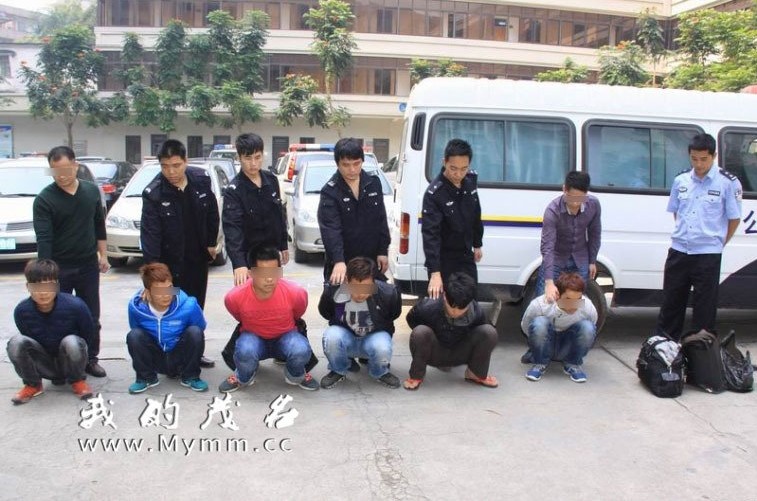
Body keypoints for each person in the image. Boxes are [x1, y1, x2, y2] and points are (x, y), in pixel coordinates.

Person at [140, 139, 219, 368]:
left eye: (176, 165)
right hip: (169, 269)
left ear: (186, 161)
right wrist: (152, 279)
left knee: (194, 307)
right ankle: (169, 357)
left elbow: (212, 212)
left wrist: (211, 242)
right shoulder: (154, 193)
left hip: (197, 262)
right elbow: (150, 236)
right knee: (170, 308)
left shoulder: (201, 180)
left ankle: (195, 352)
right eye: (165, 166)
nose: (171, 172)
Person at [656, 133, 742, 341]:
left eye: (704, 159)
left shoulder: (727, 183)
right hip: (679, 251)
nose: (699, 164)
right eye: (694, 159)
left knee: (704, 310)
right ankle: (665, 350)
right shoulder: (681, 180)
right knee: (671, 305)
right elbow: (678, 213)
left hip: (707, 254)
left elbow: (734, 219)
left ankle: (699, 354)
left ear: (714, 156)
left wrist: (719, 243)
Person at [33, 146, 108, 377]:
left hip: (87, 265)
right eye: (56, 171)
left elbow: (99, 225)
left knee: (91, 315)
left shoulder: (91, 192)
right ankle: (60, 363)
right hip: (59, 268)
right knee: (58, 316)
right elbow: (44, 239)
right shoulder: (44, 199)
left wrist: (103, 256)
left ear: (75, 165)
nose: (62, 176)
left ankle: (90, 359)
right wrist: (46, 274)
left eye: (66, 169)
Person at [219, 247, 318, 392]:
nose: (270, 279)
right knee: (245, 350)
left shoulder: (296, 292)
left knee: (301, 349)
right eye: (263, 273)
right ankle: (243, 376)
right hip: (253, 338)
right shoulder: (234, 297)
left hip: (286, 336)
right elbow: (239, 317)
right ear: (251, 274)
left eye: (274, 272)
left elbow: (297, 314)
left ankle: (296, 375)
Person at [7, 259, 94, 404]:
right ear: (28, 287)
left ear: (57, 285)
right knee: (16, 342)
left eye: (48, 286)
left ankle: (77, 380)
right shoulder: (22, 311)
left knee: (72, 341)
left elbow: (87, 336)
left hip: (69, 360)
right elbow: (28, 341)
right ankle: (33, 384)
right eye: (37, 287)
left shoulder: (76, 306)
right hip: (44, 362)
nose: (43, 292)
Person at [403, 272, 498, 390]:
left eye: (461, 309)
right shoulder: (426, 307)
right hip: (435, 352)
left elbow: (481, 336)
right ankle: (416, 376)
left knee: (489, 332)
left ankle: (476, 373)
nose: (455, 312)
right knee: (420, 332)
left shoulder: (477, 311)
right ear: (444, 295)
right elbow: (411, 319)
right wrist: (428, 338)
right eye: (452, 307)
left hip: (460, 352)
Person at [319, 257, 402, 389]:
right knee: (331, 337)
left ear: (374, 282)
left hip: (373, 336)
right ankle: (338, 369)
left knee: (383, 346)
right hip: (347, 337)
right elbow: (325, 312)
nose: (360, 294)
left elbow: (394, 314)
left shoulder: (388, 293)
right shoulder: (334, 291)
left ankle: (380, 371)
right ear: (346, 281)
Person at [126, 263, 208, 394]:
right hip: (156, 358)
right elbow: (135, 329)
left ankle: (191, 376)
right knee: (134, 335)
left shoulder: (188, 304)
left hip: (179, 357)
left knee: (195, 332)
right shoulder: (136, 308)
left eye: (169, 289)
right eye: (159, 291)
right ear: (147, 292)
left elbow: (200, 327)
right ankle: (145, 378)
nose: (166, 295)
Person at [317, 137, 390, 284]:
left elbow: (381, 219)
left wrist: (383, 251)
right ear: (337, 164)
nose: (352, 169)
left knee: (374, 297)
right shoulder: (330, 192)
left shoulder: (373, 184)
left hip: (370, 262)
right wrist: (338, 261)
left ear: (362, 161)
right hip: (344, 263)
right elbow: (331, 230)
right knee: (342, 297)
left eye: (356, 163)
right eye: (346, 165)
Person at [223, 133, 289, 287]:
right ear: (239, 158)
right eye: (248, 158)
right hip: (249, 259)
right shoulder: (234, 190)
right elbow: (232, 229)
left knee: (275, 294)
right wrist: (239, 263)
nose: (253, 163)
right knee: (251, 298)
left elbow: (279, 215)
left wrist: (283, 244)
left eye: (257, 157)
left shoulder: (271, 180)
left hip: (272, 257)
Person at [422, 139, 483, 299]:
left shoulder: (469, 183)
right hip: (444, 259)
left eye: (464, 169)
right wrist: (435, 272)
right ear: (445, 162)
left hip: (465, 255)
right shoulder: (434, 194)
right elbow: (430, 235)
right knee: (444, 304)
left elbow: (476, 215)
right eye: (453, 168)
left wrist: (477, 244)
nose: (458, 174)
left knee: (469, 300)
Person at [537, 171, 602, 302]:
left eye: (580, 198)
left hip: (580, 258)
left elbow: (595, 234)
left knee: (575, 303)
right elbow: (547, 246)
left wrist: (592, 261)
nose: (575, 203)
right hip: (556, 258)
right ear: (564, 190)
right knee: (544, 301)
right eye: (572, 198)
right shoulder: (552, 210)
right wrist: (549, 283)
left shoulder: (593, 205)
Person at [521, 272, 597, 383]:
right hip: (545, 344)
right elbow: (527, 326)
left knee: (588, 327)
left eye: (578, 299)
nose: (573, 305)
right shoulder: (539, 305)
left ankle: (573, 364)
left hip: (568, 345)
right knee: (539, 323)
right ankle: (539, 363)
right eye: (568, 299)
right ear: (557, 296)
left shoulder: (587, 306)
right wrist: (538, 341)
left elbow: (592, 327)